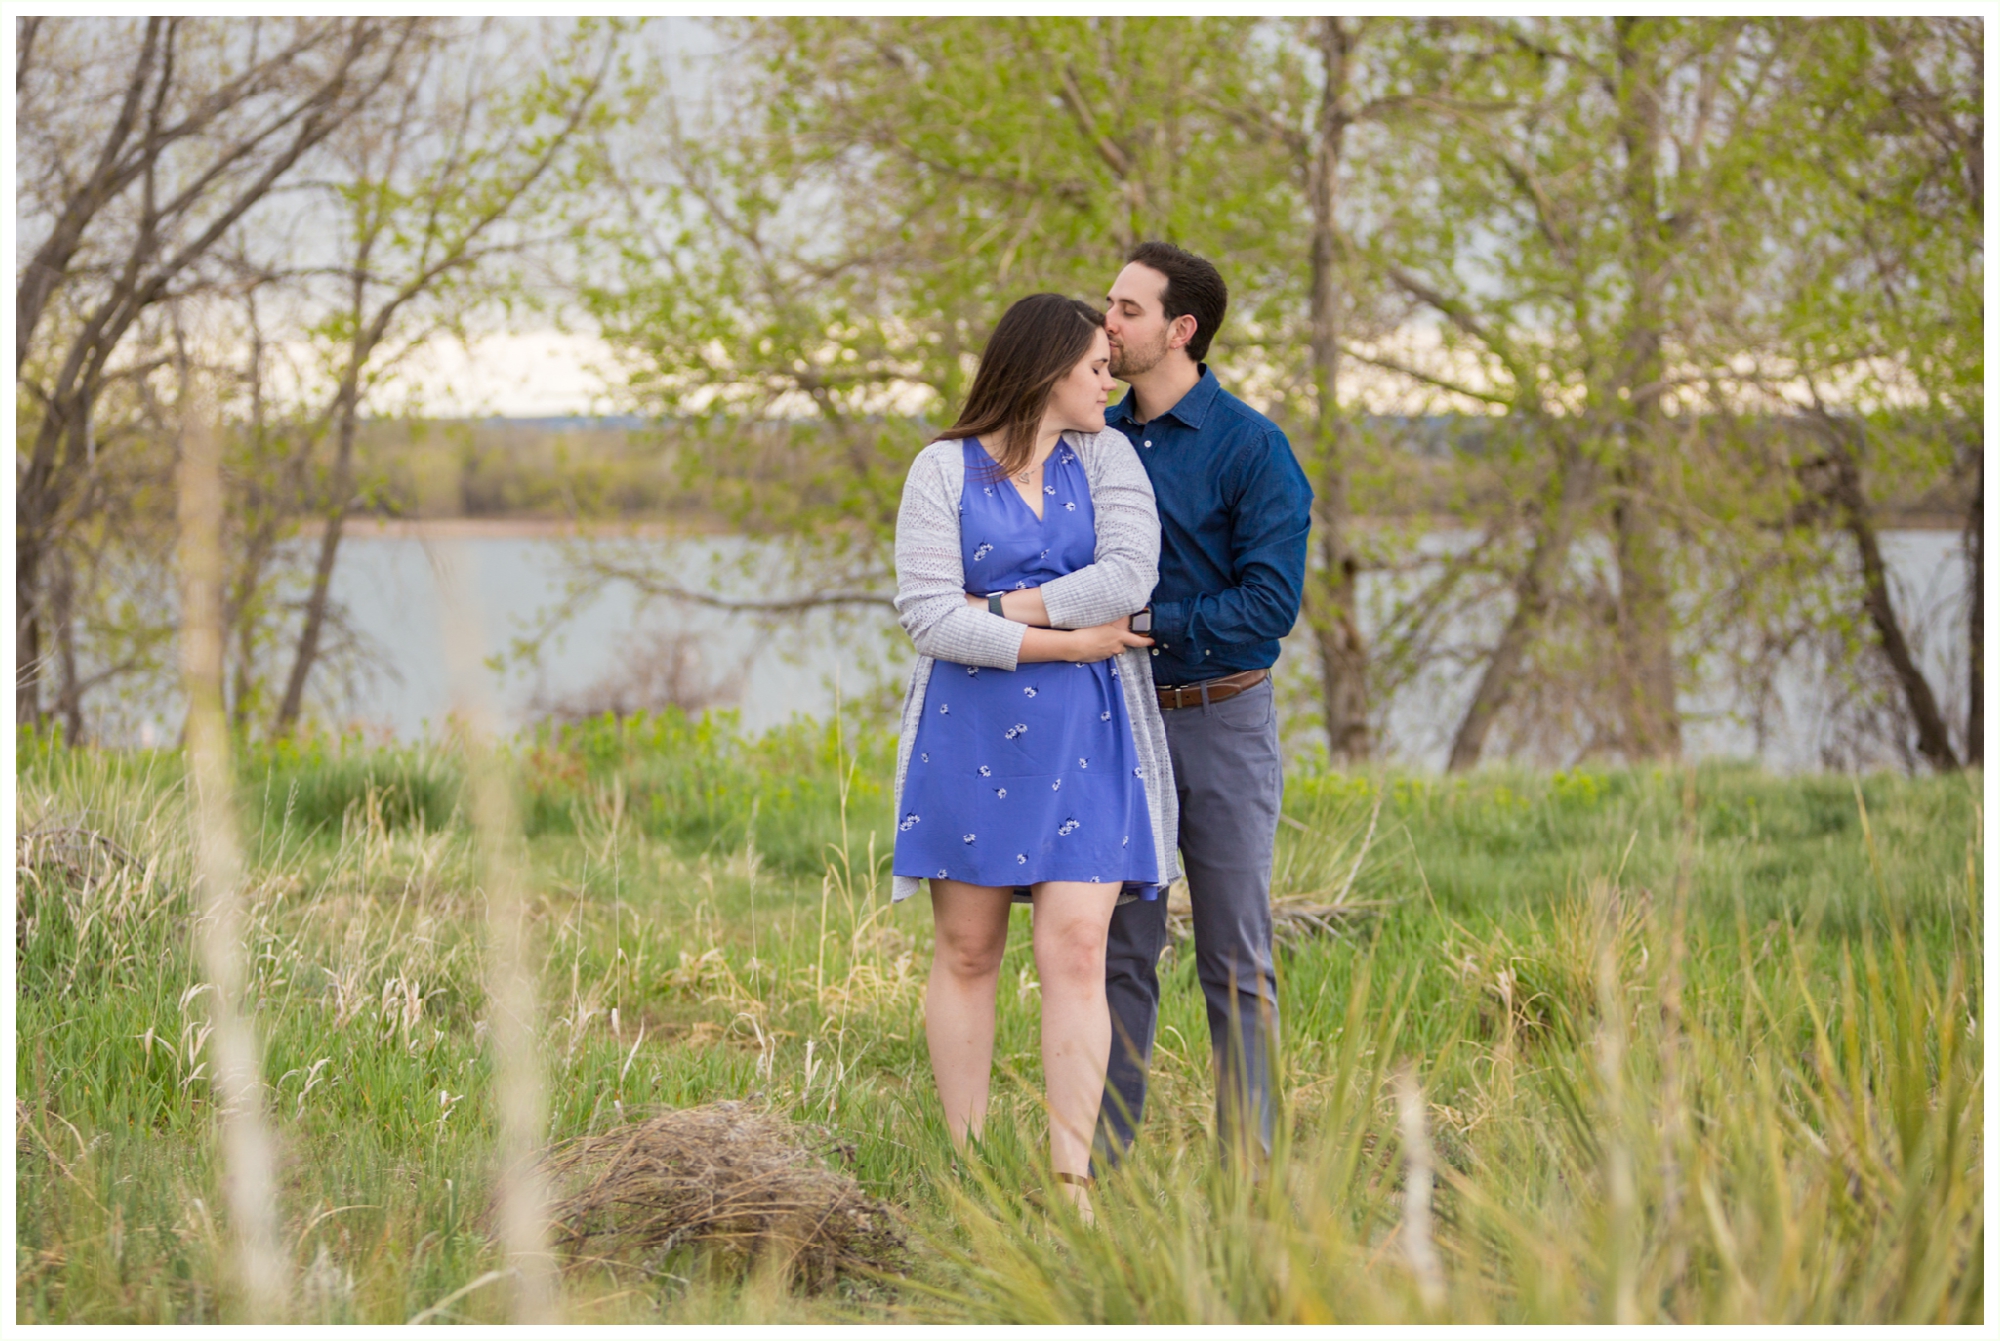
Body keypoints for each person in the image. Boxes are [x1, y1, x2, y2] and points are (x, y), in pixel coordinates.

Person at [889, 293, 1179, 1216]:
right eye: (1097, 364)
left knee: (1079, 945)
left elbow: (1130, 578)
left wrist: (1001, 608)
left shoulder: (1110, 457)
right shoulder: (939, 469)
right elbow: (927, 616)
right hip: (969, 728)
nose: (1111, 377)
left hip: (1088, 731)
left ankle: (1072, 1182)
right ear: (1049, 367)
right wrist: (1068, 635)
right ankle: (971, 1171)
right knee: (969, 949)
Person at [1095, 241, 1314, 1169]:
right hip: (1114, 720)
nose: (1107, 321)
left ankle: (1250, 1179)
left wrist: (1150, 618)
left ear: (1181, 330)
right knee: (1117, 954)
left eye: (1128, 310)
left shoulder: (1253, 448)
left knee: (1234, 955)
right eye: (1110, 305)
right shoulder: (1088, 438)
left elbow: (1271, 605)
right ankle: (1098, 1166)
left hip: (1223, 720)